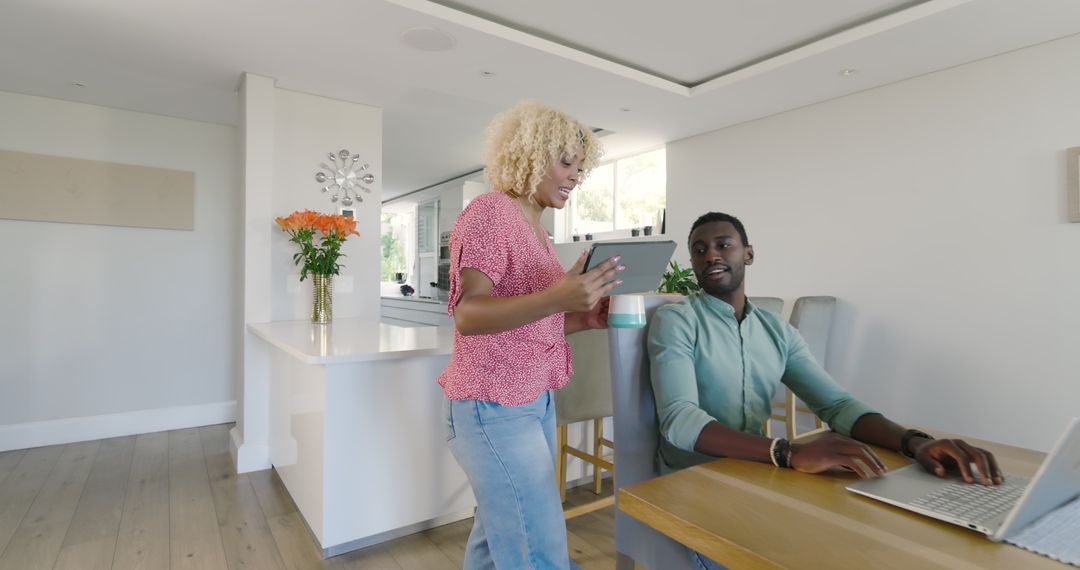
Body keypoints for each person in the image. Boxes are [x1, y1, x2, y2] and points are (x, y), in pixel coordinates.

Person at [648, 211, 1003, 570]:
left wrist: (914, 442)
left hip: (755, 475)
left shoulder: (777, 332)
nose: (711, 255)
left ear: (749, 254)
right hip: (689, 485)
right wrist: (787, 452)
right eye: (699, 250)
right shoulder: (677, 320)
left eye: (723, 245)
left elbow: (837, 405)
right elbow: (681, 421)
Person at [438, 100, 623, 570]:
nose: (575, 176)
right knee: (538, 546)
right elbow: (469, 314)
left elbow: (532, 322)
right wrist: (558, 296)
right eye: (566, 162)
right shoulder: (491, 213)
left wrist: (583, 318)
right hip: (493, 403)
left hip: (532, 399)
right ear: (531, 157)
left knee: (501, 536)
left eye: (580, 167)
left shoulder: (537, 232)